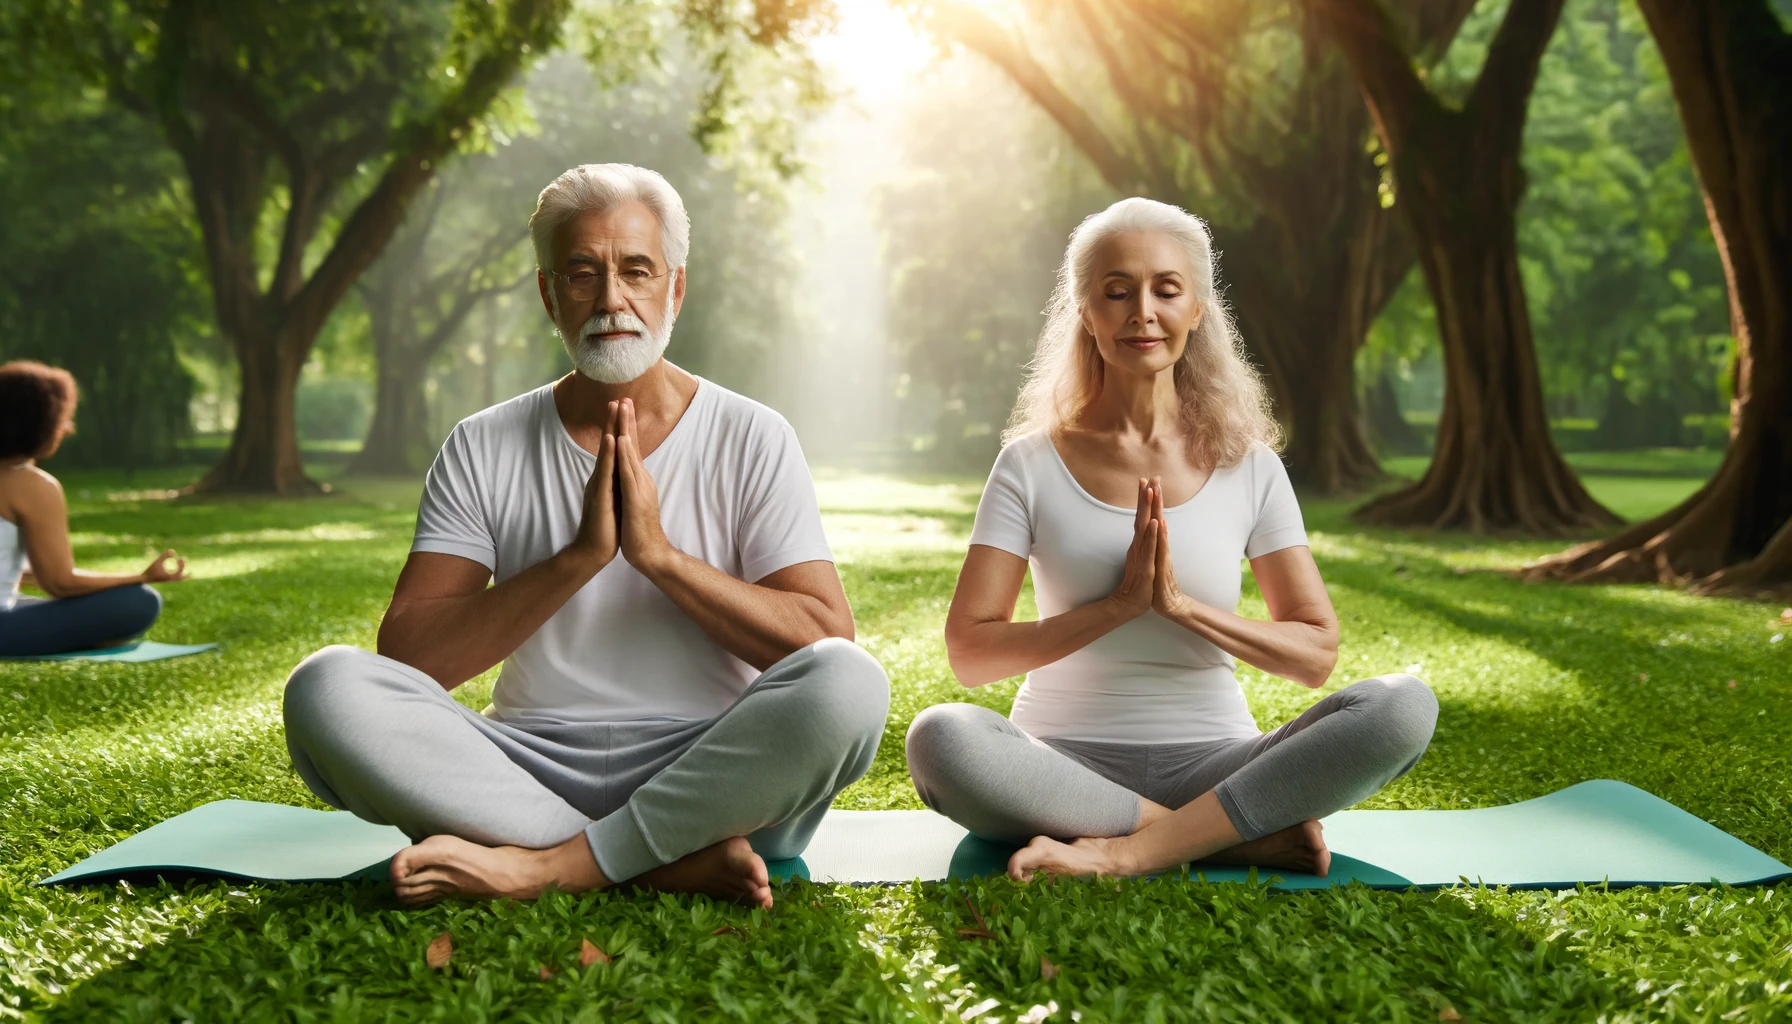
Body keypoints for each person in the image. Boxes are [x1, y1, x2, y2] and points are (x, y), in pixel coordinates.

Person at [282, 163, 889, 909]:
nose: (611, 300)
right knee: (325, 686)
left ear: (675, 288)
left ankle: (547, 866)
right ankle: (657, 858)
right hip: (523, 766)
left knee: (849, 681)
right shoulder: (481, 443)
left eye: (637, 271)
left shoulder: (754, 435)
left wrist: (660, 559)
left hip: (710, 765)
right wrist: (577, 560)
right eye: (581, 275)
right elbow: (412, 658)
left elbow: (823, 634)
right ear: (548, 295)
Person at [905, 198, 1437, 881]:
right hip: (1061, 771)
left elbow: (1314, 652)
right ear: (1086, 314)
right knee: (943, 737)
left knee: (1401, 707)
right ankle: (1222, 840)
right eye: (1117, 292)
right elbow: (972, 653)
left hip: (1216, 766)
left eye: (1166, 289)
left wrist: (1181, 607)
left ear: (1197, 310)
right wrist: (1116, 608)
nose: (1142, 313)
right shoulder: (1031, 463)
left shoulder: (1249, 466)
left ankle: (1134, 849)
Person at [0, 361, 187, 657]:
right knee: (138, 602)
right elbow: (59, 583)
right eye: (61, 419)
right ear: (38, 423)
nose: (68, 428)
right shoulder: (29, 484)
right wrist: (141, 578)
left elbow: (22, 572)